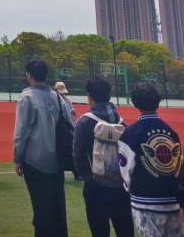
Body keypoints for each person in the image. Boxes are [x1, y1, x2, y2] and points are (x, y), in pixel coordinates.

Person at [13, 59, 72, 237]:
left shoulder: (26, 97)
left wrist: (17, 158)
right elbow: (70, 125)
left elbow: (21, 131)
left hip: (35, 161)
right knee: (57, 208)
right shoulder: (59, 98)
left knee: (41, 210)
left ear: (29, 75)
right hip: (58, 161)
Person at [118, 83, 184, 237]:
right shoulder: (171, 132)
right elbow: (178, 166)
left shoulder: (130, 133)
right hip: (172, 202)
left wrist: (132, 189)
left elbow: (126, 168)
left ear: (135, 103)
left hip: (146, 202)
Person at [73, 76, 132, 237]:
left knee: (99, 232)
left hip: (95, 185)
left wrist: (87, 176)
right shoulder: (122, 123)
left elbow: (78, 155)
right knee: (125, 231)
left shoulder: (84, 121)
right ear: (109, 95)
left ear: (90, 96)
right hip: (121, 186)